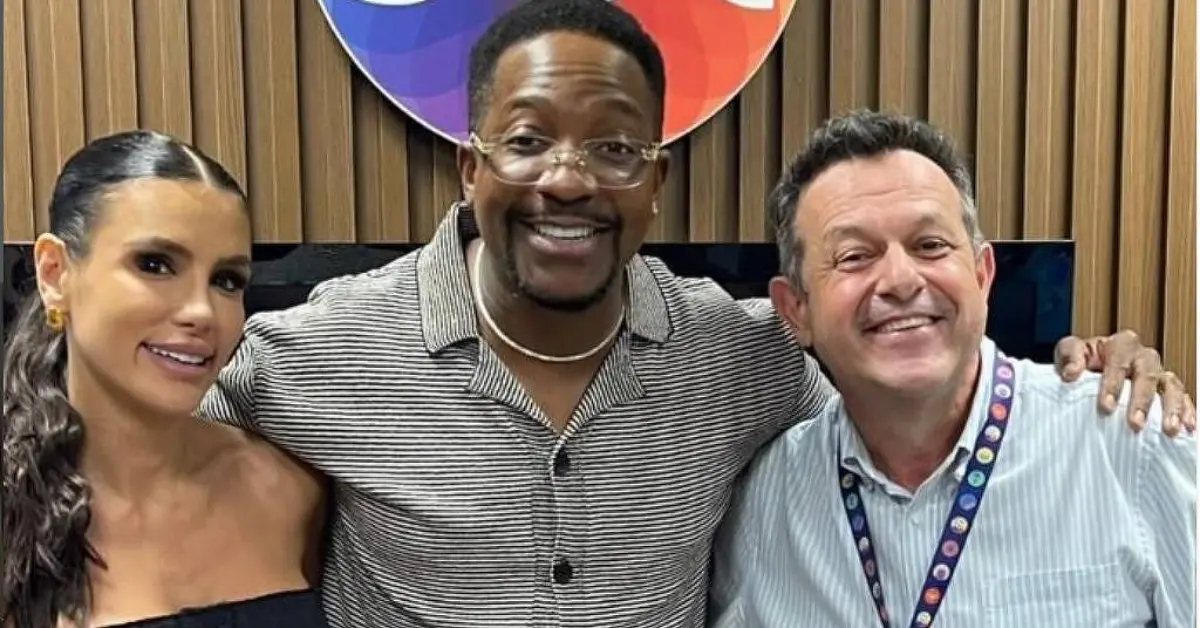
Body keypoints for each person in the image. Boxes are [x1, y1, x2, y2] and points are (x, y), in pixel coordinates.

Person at [198, 1, 1193, 626]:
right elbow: (149, 431)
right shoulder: (319, 351)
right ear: (471, 166)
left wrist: (1093, 376)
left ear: (656, 184)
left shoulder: (740, 354)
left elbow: (902, 399)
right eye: (528, 140)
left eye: (615, 149)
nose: (568, 178)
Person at [707, 110, 1197, 628]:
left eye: (930, 246)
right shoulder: (767, 502)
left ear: (982, 276)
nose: (900, 280)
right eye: (854, 256)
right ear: (797, 310)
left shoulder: (1132, 445)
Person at [1, 131, 329, 628]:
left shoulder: (288, 490)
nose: (202, 311)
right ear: (55, 273)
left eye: (226, 280)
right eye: (155, 265)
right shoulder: (15, 511)